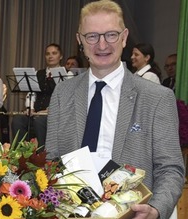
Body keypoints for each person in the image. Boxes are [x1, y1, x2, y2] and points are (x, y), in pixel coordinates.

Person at [46, 1, 185, 219]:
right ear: (79, 40)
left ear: (125, 36)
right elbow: (51, 160)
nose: (102, 45)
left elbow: (170, 169)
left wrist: (156, 209)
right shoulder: (63, 94)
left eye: (111, 34)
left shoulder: (157, 98)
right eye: (92, 36)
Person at [11, 43, 60, 146]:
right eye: (47, 54)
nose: (50, 56)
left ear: (60, 56)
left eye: (54, 53)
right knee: (17, 120)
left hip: (54, 114)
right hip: (37, 113)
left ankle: (43, 156)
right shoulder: (38, 73)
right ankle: (20, 154)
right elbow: (31, 93)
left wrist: (49, 110)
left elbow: (65, 98)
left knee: (39, 121)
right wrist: (30, 108)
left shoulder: (66, 74)